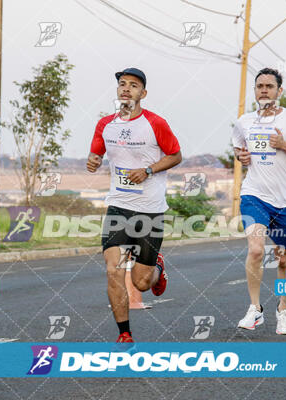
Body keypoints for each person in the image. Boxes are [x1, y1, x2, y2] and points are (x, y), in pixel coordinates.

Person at [87, 68, 181, 346]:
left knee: (141, 282)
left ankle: (158, 269)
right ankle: (124, 333)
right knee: (112, 269)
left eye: (134, 85)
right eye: (122, 84)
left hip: (150, 210)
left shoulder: (156, 123)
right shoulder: (105, 124)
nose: (126, 89)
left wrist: (149, 170)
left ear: (143, 93)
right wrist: (92, 161)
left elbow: (176, 155)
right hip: (118, 206)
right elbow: (96, 153)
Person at [233, 68, 286, 335]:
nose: (264, 90)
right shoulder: (244, 121)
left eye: (269, 86)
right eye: (259, 86)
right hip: (254, 195)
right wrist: (241, 157)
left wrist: (284, 145)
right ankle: (255, 309)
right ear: (255, 91)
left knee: (283, 258)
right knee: (256, 250)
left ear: (280, 91)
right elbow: (238, 148)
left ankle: (283, 310)